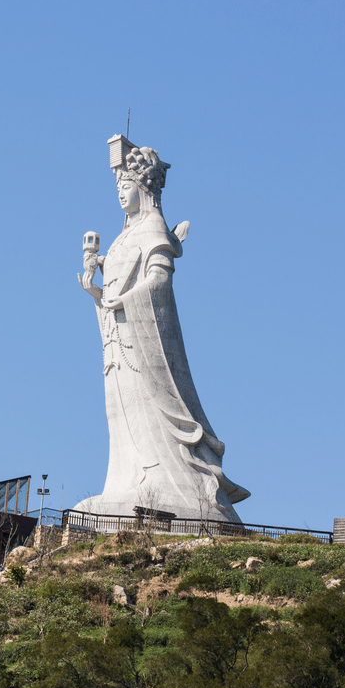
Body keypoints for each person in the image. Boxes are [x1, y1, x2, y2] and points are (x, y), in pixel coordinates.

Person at [75, 138, 249, 523]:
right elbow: (113, 294)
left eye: (127, 186)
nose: (121, 194)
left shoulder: (152, 228)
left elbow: (159, 283)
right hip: (119, 342)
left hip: (145, 341)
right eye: (118, 188)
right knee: (121, 413)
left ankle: (163, 486)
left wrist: (124, 300)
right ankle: (125, 482)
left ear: (144, 188)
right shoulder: (122, 237)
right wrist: (97, 294)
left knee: (148, 412)